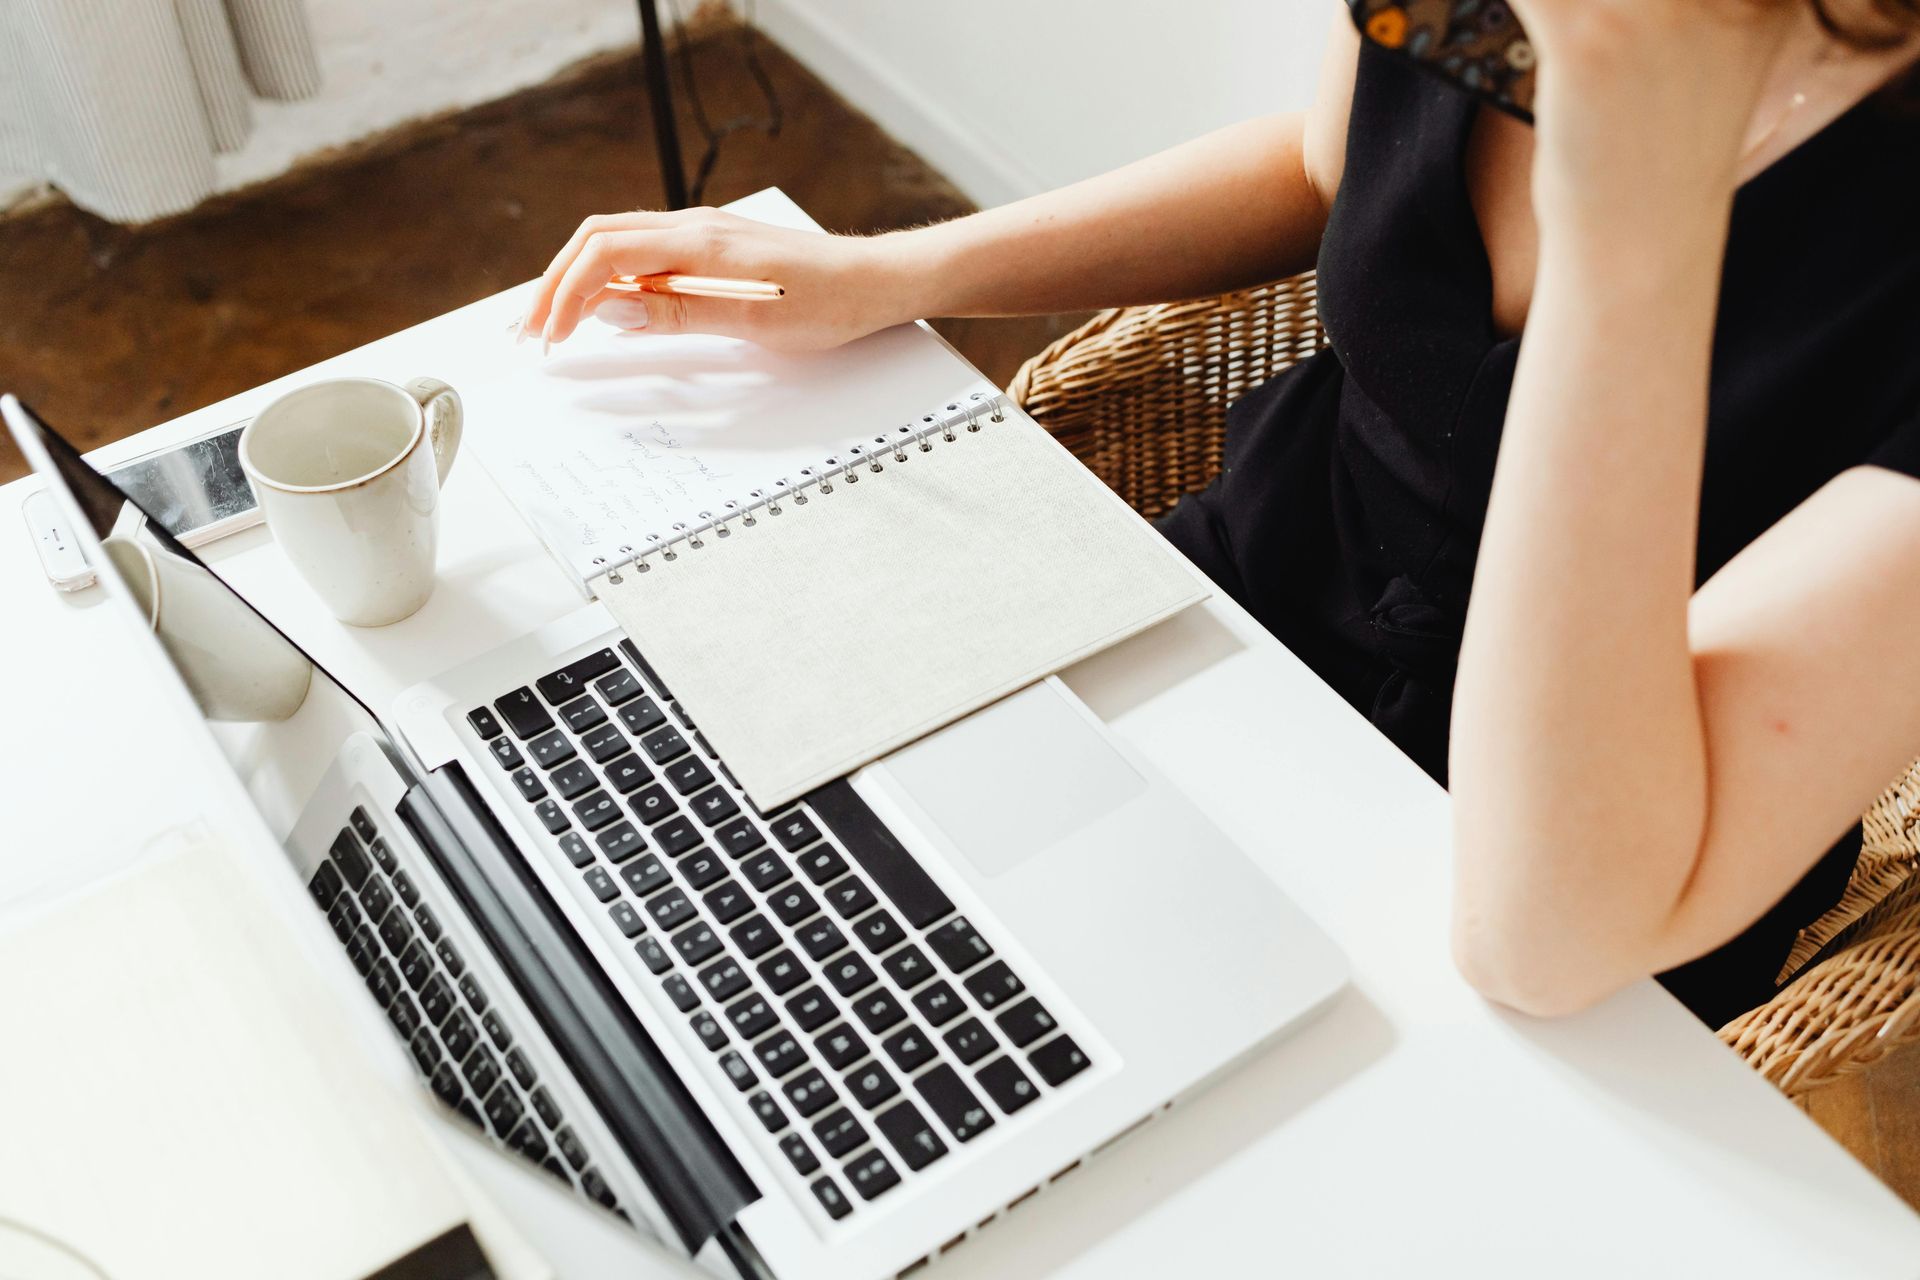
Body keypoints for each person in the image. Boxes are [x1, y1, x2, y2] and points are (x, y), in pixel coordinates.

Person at [520, 1, 1920, 1027]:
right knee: (753, 936)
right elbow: (1326, 173)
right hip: (1231, 627)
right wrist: (892, 271)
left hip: (1568, 881)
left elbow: (1544, 940)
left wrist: (1632, 202)